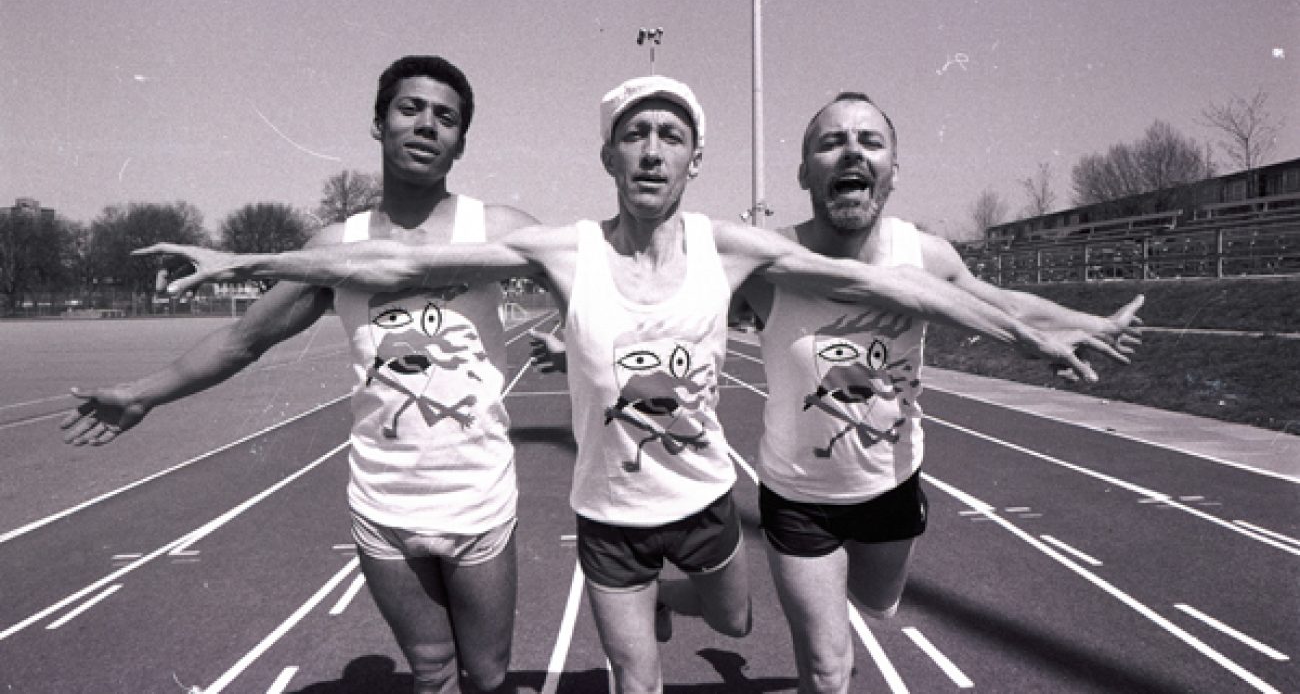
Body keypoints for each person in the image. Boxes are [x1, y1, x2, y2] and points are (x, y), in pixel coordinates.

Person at [133, 75, 1123, 694]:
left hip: (702, 501)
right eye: (633, 135)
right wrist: (243, 261)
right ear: (608, 156)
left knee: (737, 615)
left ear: (696, 159)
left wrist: (1042, 332)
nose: (651, 150)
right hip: (605, 513)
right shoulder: (562, 249)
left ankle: (678, 599)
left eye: (670, 136)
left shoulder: (730, 246)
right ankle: (646, 613)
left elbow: (887, 283)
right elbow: (386, 268)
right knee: (637, 677)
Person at [61, 55, 537, 694]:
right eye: (410, 108)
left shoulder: (502, 228)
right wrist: (144, 394)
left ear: (460, 143)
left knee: (488, 674)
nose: (427, 125)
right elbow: (243, 338)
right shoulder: (333, 247)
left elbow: (596, 273)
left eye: (445, 118)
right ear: (379, 124)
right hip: (382, 499)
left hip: (478, 495)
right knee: (430, 669)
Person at [732, 91, 1143, 693]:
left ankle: (833, 604)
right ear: (803, 172)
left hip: (891, 484)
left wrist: (1083, 324)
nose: (852, 151)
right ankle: (823, 628)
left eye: (870, 142)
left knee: (878, 604)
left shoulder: (921, 254)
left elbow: (997, 303)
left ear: (892, 173)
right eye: (831, 141)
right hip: (798, 495)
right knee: (827, 667)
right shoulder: (767, 265)